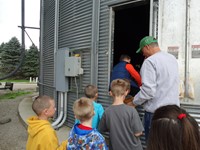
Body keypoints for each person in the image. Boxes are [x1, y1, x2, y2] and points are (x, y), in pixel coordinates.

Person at [129, 36, 180, 141]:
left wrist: (134, 102)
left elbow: (148, 91)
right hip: (174, 113)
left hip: (157, 114)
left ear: (147, 47)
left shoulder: (150, 62)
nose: (143, 54)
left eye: (142, 51)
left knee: (155, 145)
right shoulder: (171, 58)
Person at [99, 79, 144, 150]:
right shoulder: (132, 110)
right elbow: (138, 133)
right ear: (126, 92)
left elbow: (101, 129)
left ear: (111, 93)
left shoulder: (107, 112)